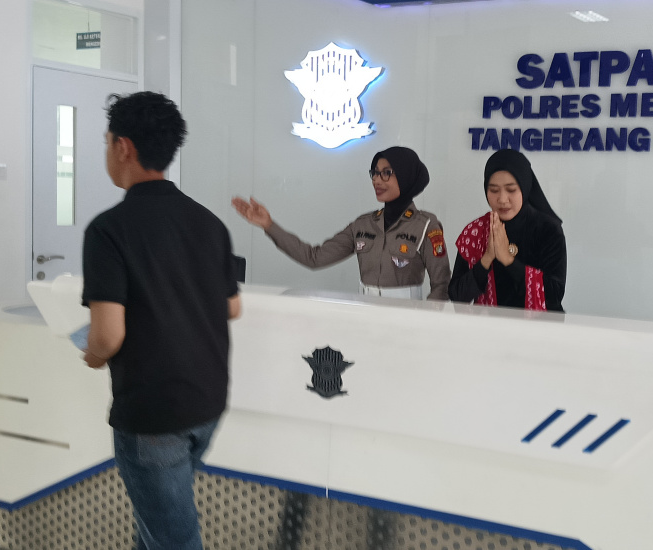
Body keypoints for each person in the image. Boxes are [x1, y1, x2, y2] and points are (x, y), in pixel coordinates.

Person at [81, 91, 241, 549]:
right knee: (157, 527)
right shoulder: (209, 223)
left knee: (171, 538)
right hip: (208, 402)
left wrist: (92, 354)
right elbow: (232, 307)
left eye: (107, 141)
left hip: (154, 414)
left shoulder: (109, 230)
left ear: (123, 147)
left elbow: (108, 335)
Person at [231, 146, 450, 300]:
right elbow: (314, 257)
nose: (377, 180)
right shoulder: (364, 225)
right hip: (365, 316)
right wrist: (269, 225)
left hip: (407, 319)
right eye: (374, 173)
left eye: (386, 173)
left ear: (406, 176)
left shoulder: (425, 225)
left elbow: (441, 285)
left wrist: (426, 322)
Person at [448, 148, 566, 311]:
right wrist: (487, 258)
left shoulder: (548, 230)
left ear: (525, 187)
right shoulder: (476, 232)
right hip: (489, 325)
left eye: (511, 190)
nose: (502, 199)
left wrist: (508, 260)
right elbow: (456, 295)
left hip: (540, 326)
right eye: (494, 190)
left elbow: (554, 295)